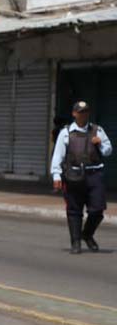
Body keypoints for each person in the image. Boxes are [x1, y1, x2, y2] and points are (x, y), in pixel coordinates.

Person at [50, 101, 112, 254]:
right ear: (74, 114)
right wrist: (56, 175)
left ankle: (87, 234)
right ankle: (75, 241)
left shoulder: (97, 130)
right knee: (74, 210)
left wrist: (101, 143)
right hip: (74, 175)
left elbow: (108, 150)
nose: (83, 114)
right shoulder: (66, 132)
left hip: (94, 174)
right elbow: (58, 155)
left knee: (97, 210)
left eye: (85, 112)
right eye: (80, 112)